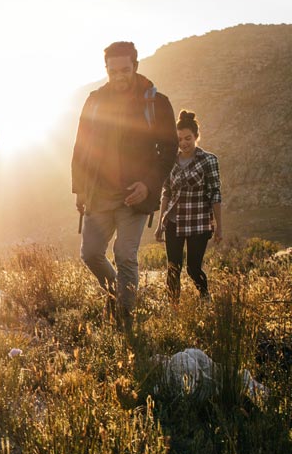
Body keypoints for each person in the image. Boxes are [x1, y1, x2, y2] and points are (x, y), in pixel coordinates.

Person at [71, 41, 177, 324]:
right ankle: (118, 294)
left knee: (125, 255)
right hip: (99, 193)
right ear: (106, 69)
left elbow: (168, 151)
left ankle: (125, 320)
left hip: (135, 195)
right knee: (91, 253)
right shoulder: (94, 101)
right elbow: (81, 146)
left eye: (125, 70)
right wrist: (80, 188)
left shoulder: (155, 102)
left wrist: (149, 185)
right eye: (113, 71)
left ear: (136, 67)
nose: (119, 76)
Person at [155, 110, 223, 301]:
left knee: (193, 268)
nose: (184, 143)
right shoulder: (171, 162)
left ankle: (205, 297)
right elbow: (166, 192)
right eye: (179, 139)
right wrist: (161, 223)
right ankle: (173, 309)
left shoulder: (209, 160)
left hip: (199, 222)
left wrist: (219, 227)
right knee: (173, 268)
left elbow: (215, 193)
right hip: (174, 221)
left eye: (188, 138)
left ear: (196, 136)